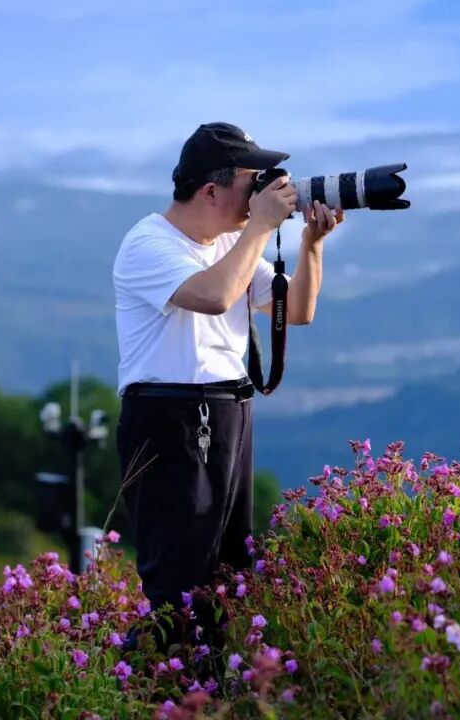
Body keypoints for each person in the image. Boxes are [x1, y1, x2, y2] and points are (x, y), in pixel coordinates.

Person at [112, 122, 344, 658]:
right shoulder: (148, 243)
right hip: (169, 422)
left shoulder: (226, 245)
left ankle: (208, 685)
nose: (262, 190)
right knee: (179, 581)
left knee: (228, 577)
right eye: (250, 180)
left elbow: (298, 309)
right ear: (211, 190)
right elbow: (215, 296)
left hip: (228, 414)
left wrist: (311, 243)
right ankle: (149, 680)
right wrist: (259, 227)